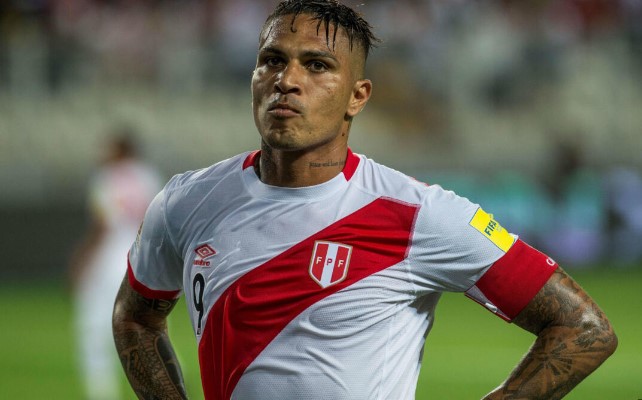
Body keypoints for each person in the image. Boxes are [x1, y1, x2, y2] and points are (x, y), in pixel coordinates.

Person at [112, 1, 617, 399]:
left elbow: (583, 328)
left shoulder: (418, 216)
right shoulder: (186, 201)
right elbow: (135, 316)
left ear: (358, 96)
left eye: (317, 65)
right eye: (272, 60)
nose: (287, 80)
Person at [70, 128, 163, 400]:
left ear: (121, 149)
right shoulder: (148, 176)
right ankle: (169, 382)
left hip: (110, 258)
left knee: (94, 328)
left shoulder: (107, 177)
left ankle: (102, 393)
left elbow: (102, 226)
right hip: (141, 258)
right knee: (146, 327)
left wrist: (82, 259)